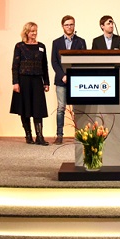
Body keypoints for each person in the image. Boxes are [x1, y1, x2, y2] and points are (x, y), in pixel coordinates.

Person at [92, 15, 120, 144]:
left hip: (117, 75)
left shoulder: (119, 39)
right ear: (102, 26)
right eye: (108, 23)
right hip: (102, 76)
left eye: (112, 23)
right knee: (103, 106)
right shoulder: (96, 41)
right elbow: (94, 58)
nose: (111, 25)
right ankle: (103, 133)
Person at [10, 22, 50, 146]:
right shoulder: (19, 46)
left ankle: (39, 136)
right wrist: (15, 82)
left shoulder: (41, 46)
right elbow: (15, 66)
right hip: (24, 81)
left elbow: (45, 66)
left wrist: (46, 82)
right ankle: (28, 135)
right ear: (26, 32)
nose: (34, 33)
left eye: (36, 31)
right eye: (32, 31)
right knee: (25, 108)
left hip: (37, 80)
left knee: (38, 108)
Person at [51, 15, 87, 144]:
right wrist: (63, 75)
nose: (69, 27)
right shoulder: (56, 42)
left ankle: (79, 135)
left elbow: (83, 61)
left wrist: (72, 76)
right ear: (62, 26)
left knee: (78, 108)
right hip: (61, 80)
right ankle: (59, 135)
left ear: (74, 26)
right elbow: (54, 62)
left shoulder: (81, 42)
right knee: (61, 108)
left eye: (71, 24)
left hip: (76, 80)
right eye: (67, 25)